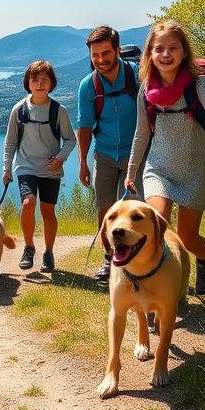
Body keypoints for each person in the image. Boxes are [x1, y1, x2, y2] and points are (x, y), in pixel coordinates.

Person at [124, 19, 205, 295]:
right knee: (154, 229)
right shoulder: (146, 90)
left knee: (187, 239)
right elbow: (141, 134)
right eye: (159, 49)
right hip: (158, 168)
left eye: (173, 48)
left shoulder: (197, 83)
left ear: (184, 52)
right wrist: (131, 171)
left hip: (195, 168)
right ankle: (159, 291)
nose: (166, 54)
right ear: (150, 54)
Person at [76, 25, 140, 281]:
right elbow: (84, 126)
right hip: (103, 154)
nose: (100, 60)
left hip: (135, 153)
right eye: (95, 55)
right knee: (105, 210)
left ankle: (135, 263)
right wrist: (82, 162)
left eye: (106, 53)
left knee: (134, 209)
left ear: (117, 50)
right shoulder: (87, 86)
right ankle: (109, 260)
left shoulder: (136, 75)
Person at [3, 60, 76, 273]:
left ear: (52, 83)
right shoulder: (19, 110)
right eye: (35, 79)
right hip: (26, 166)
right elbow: (10, 142)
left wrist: (61, 158)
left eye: (45, 79)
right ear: (28, 83)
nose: (40, 83)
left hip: (50, 169)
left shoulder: (58, 111)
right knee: (28, 203)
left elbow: (70, 140)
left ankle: (48, 253)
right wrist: (7, 169)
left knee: (48, 212)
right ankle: (28, 248)